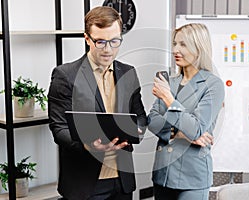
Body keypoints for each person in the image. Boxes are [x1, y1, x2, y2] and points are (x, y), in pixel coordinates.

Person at [48, 6, 147, 200]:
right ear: (87, 39)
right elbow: (59, 128)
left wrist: (137, 130)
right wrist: (88, 145)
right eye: (100, 41)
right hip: (85, 183)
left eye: (115, 41)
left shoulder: (129, 72)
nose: (108, 49)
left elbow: (140, 116)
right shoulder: (65, 76)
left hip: (122, 180)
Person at [148, 23, 225, 200]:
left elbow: (196, 128)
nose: (176, 49)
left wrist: (167, 98)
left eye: (183, 44)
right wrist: (181, 134)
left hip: (193, 179)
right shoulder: (170, 80)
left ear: (199, 48)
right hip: (163, 174)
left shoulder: (213, 85)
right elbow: (152, 120)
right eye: (175, 43)